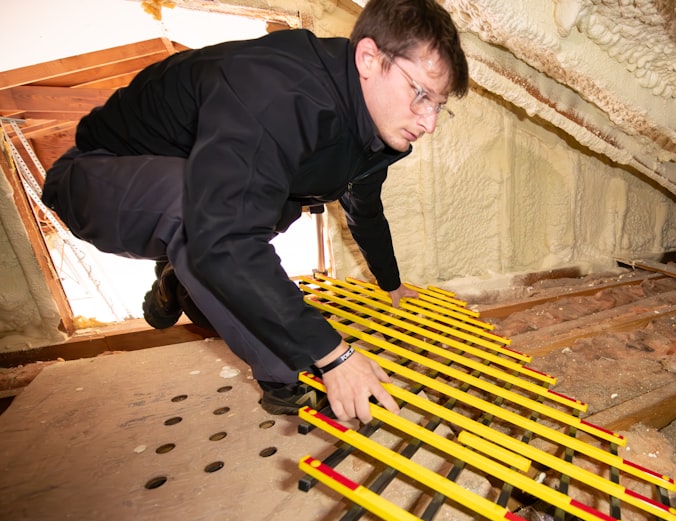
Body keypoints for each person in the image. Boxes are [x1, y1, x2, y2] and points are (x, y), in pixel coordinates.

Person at [41, 0, 469, 423]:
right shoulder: (281, 90)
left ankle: (177, 278)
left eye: (439, 106)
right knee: (210, 218)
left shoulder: (375, 129)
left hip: (186, 196)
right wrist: (332, 356)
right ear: (369, 58)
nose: (429, 122)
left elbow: (364, 205)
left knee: (273, 205)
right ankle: (286, 377)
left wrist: (390, 284)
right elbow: (226, 234)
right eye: (420, 95)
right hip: (94, 177)